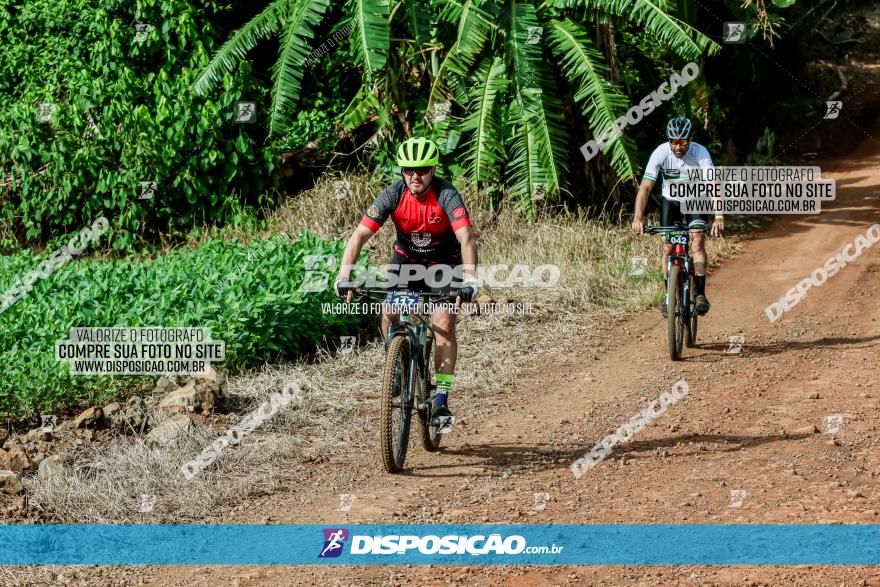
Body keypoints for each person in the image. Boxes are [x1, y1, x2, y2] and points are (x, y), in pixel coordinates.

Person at [334, 137, 478, 433]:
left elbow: (466, 238)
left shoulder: (447, 193)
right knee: (388, 311)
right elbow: (359, 236)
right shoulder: (392, 194)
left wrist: (470, 280)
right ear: (401, 171)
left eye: (422, 170)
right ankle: (397, 367)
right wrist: (344, 275)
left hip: (443, 265)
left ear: (433, 169)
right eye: (408, 169)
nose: (415, 175)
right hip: (407, 263)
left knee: (444, 324)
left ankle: (441, 397)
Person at [631, 117, 724, 317]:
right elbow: (645, 187)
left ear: (690, 139)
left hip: (695, 200)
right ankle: (669, 296)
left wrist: (718, 216)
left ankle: (700, 294)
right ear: (669, 140)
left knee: (697, 242)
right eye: (674, 141)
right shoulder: (661, 153)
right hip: (671, 201)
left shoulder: (700, 153)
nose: (678, 146)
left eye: (682, 142)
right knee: (667, 247)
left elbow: (713, 185)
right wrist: (638, 217)